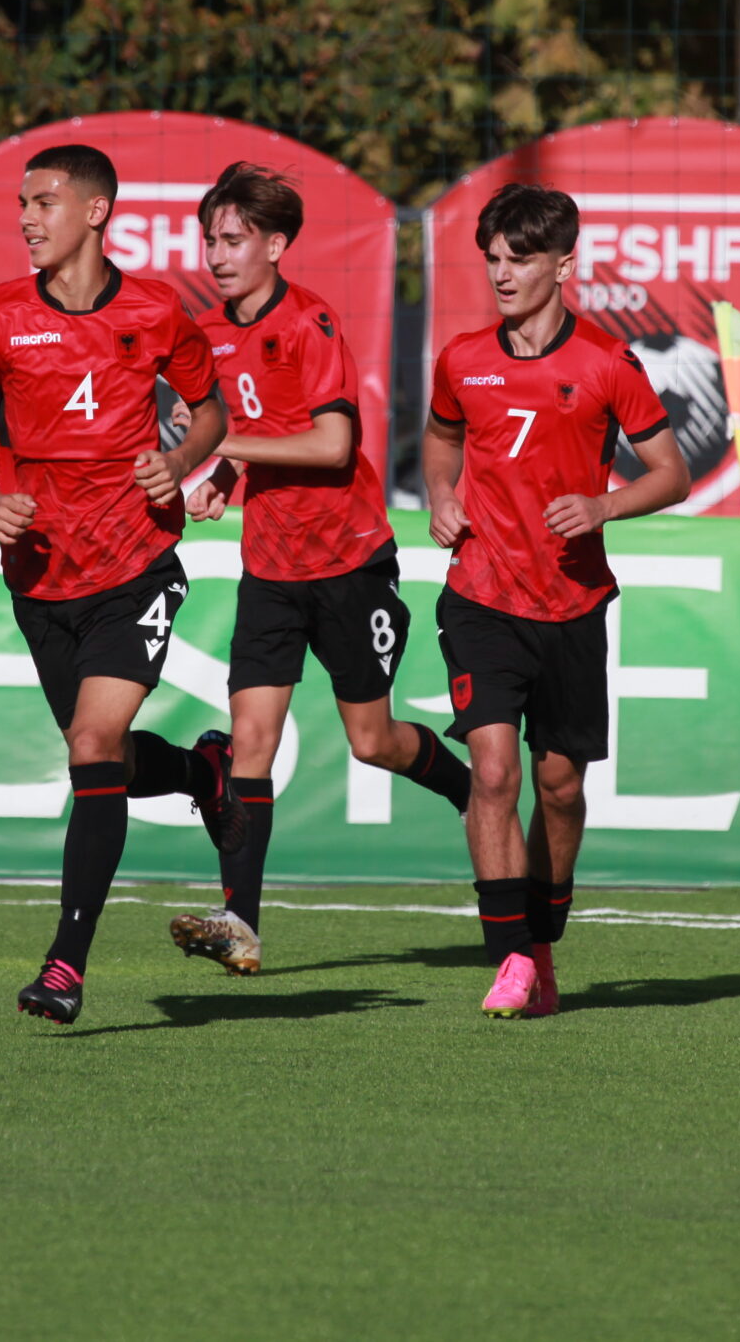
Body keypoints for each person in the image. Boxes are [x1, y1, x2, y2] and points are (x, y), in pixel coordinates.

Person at [0, 143, 243, 1027]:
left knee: (90, 742)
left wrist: (180, 459)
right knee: (93, 749)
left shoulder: (156, 311)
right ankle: (201, 769)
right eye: (22, 204)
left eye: (44, 201)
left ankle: (66, 963)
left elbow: (212, 411)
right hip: (39, 572)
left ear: (97, 211)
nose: (27, 218)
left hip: (134, 564)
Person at [169, 164, 472, 975]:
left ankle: (473, 794)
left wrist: (217, 449)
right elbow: (256, 427)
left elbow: (332, 445)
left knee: (371, 741)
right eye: (210, 239)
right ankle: (240, 920)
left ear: (275, 245)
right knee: (250, 743)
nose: (218, 254)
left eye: (233, 240)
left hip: (349, 565)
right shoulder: (208, 334)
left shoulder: (311, 323)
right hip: (269, 568)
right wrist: (224, 483)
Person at [423, 183, 690, 1017]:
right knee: (493, 772)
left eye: (520, 259)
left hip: (572, 604)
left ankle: (540, 940)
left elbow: (672, 472)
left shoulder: (608, 364)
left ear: (564, 264)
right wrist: (440, 494)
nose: (501, 274)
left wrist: (606, 505)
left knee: (561, 786)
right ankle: (508, 957)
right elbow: (439, 436)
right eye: (492, 258)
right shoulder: (463, 358)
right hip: (480, 596)